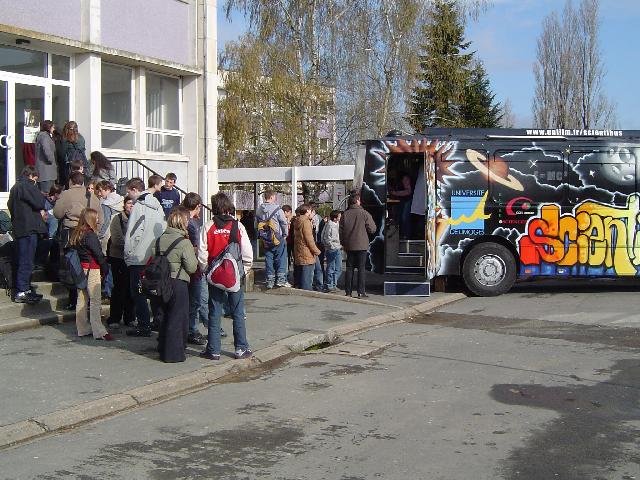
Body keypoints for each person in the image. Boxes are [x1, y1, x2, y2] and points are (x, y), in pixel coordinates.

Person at [198, 192, 253, 360]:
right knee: (237, 312)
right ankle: (241, 348)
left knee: (214, 312)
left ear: (214, 207)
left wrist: (206, 270)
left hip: (215, 275)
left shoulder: (208, 226)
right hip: (234, 275)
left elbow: (202, 253)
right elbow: (247, 252)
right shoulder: (238, 226)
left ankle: (213, 350)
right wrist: (245, 270)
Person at [53, 171, 104, 310]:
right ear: (82, 182)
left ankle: (73, 300)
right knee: (87, 265)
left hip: (71, 234)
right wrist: (95, 230)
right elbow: (101, 218)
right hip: (89, 234)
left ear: (70, 181)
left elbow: (57, 213)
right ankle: (89, 301)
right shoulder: (92, 196)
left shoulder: (66, 194)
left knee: (73, 267)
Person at [153, 206, 197, 362]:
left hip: (160, 282)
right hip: (177, 282)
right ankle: (174, 354)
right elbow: (192, 267)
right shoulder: (184, 243)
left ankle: (162, 348)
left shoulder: (159, 240)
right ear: (182, 223)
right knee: (177, 318)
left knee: (163, 316)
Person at [124, 176, 166, 337]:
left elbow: (134, 232)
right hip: (154, 256)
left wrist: (128, 253)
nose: (128, 196)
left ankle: (143, 324)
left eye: (128, 192)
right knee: (154, 291)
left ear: (135, 190)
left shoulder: (139, 206)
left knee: (138, 292)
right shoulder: (158, 206)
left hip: (139, 255)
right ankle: (158, 321)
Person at [70, 208, 112, 341]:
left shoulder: (77, 233)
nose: (98, 219)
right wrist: (105, 268)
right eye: (96, 217)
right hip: (92, 269)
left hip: (81, 268)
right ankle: (99, 331)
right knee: (95, 300)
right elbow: (98, 254)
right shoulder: (90, 235)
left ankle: (82, 328)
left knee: (82, 299)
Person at [7, 165, 46, 304]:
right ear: (31, 176)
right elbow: (40, 202)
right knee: (27, 261)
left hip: (20, 228)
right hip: (29, 229)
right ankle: (22, 290)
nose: (35, 182)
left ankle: (25, 289)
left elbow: (10, 205)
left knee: (24, 259)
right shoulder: (27, 185)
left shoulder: (15, 187)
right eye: (35, 179)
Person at [182, 192, 208, 346]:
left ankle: (193, 328)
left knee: (194, 300)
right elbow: (197, 246)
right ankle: (192, 329)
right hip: (194, 266)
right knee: (196, 300)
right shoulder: (192, 224)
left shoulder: (184, 219)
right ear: (197, 206)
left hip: (185, 265)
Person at [339, 192, 376, 298]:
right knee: (361, 269)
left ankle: (348, 292)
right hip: (362, 245)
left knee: (349, 268)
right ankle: (360, 292)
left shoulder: (345, 214)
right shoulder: (364, 213)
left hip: (349, 245)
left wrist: (343, 243)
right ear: (357, 201)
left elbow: (340, 231)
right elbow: (372, 229)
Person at [107, 195, 135, 329]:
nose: (131, 206)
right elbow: (117, 239)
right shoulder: (117, 218)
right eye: (129, 203)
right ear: (124, 205)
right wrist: (132, 245)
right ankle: (114, 318)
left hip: (132, 259)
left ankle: (130, 317)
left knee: (131, 288)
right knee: (119, 288)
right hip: (118, 257)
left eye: (133, 204)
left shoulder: (137, 219)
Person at [256, 190, 289, 289]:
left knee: (268, 259)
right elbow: (283, 223)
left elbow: (255, 224)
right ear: (271, 197)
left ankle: (270, 281)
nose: (275, 198)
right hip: (277, 237)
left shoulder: (258, 210)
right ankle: (280, 280)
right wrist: (285, 234)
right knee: (281, 258)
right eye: (275, 196)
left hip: (265, 238)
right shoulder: (277, 209)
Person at [293, 204, 320, 291]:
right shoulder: (306, 222)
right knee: (307, 279)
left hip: (300, 251)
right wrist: (317, 251)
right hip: (307, 253)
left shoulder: (298, 220)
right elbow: (309, 239)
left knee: (302, 278)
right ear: (307, 211)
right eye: (310, 211)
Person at [95, 181, 123, 252]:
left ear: (108, 189)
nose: (99, 194)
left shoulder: (106, 203)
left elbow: (105, 221)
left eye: (101, 191)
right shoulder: (121, 199)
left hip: (108, 233)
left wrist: (100, 235)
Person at [321, 210, 342, 292]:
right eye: (339, 216)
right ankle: (330, 285)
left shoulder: (337, 224)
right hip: (332, 248)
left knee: (338, 268)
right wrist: (331, 246)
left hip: (337, 247)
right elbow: (326, 237)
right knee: (331, 267)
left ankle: (333, 283)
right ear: (335, 218)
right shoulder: (330, 225)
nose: (340, 217)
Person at [35, 120, 58, 193]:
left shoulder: (45, 136)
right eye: (53, 127)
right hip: (46, 172)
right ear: (49, 127)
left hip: (46, 172)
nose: (54, 129)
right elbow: (46, 150)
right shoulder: (44, 136)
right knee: (47, 193)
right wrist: (51, 160)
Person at [388, 173, 413, 239]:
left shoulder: (405, 178)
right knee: (398, 218)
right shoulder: (395, 181)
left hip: (407, 200)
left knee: (404, 218)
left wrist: (395, 193)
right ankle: (401, 235)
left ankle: (406, 236)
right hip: (400, 201)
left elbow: (408, 191)